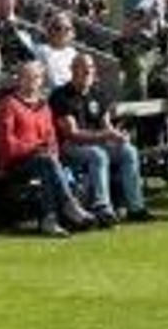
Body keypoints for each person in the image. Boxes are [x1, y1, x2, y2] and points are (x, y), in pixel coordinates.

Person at [0, 60, 96, 237]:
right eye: (27, 77)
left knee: (48, 163)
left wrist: (49, 152)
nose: (32, 81)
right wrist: (36, 148)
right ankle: (69, 206)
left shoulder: (43, 106)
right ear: (19, 79)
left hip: (43, 161)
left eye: (36, 77)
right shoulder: (8, 105)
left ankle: (50, 220)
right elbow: (6, 144)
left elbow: (51, 138)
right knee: (46, 161)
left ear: (42, 80)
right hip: (14, 162)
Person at [50, 51, 153, 225]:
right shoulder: (61, 96)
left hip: (96, 144)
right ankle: (103, 207)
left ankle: (135, 207)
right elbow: (72, 133)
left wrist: (119, 136)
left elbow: (107, 126)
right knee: (98, 154)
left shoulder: (97, 93)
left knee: (128, 151)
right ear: (72, 70)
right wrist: (106, 135)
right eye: (83, 68)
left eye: (90, 67)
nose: (88, 72)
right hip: (69, 147)